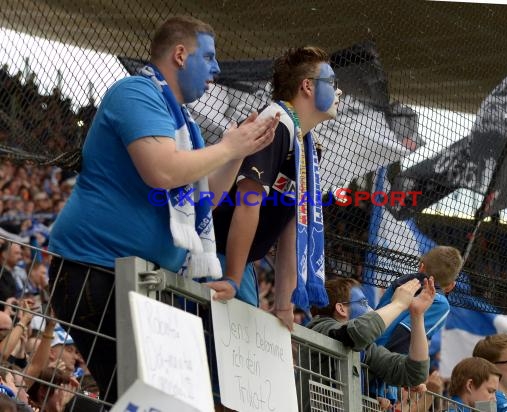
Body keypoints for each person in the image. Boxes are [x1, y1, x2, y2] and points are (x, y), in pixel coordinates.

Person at [47, 15, 279, 404]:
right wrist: (228, 148)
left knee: (149, 398)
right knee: (141, 396)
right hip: (97, 270)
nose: (217, 68)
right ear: (180, 55)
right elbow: (162, 170)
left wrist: (241, 152)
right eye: (210, 56)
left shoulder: (186, 124)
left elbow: (208, 198)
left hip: (139, 280)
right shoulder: (135, 93)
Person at [208, 46, 342, 329]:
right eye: (332, 83)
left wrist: (284, 305)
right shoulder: (275, 123)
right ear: (307, 86)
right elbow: (248, 203)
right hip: (213, 256)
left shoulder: (307, 146)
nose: (338, 92)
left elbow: (291, 229)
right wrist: (231, 277)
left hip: (241, 265)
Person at [306, 276, 433, 409]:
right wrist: (398, 304)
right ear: (341, 309)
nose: (371, 309)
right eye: (363, 303)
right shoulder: (320, 328)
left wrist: (417, 315)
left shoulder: (365, 348)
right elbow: (358, 332)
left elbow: (414, 373)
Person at [375, 245, 463, 353]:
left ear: (421, 267)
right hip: (380, 360)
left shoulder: (402, 282)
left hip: (365, 345)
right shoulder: (439, 303)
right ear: (451, 286)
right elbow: (405, 335)